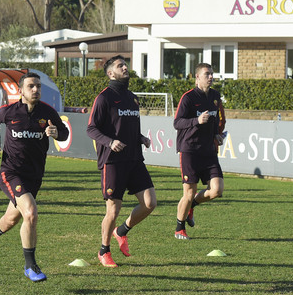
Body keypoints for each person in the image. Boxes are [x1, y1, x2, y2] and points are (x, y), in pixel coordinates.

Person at [0, 72, 69, 282]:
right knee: (30, 213)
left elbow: (65, 133)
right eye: (31, 86)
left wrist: (56, 133)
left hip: (34, 175)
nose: (36, 90)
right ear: (20, 91)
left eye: (38, 86)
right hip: (11, 172)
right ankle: (31, 266)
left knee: (12, 219)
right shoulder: (10, 111)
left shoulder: (47, 112)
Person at [87, 55, 157, 268]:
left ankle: (122, 231)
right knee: (113, 211)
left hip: (135, 159)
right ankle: (103, 251)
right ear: (110, 73)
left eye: (125, 65)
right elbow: (91, 128)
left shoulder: (132, 98)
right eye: (120, 66)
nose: (125, 67)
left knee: (149, 203)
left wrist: (141, 138)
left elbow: (129, 128)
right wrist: (109, 142)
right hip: (113, 161)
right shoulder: (104, 98)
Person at [173, 62, 225, 240]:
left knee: (217, 190)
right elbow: (177, 123)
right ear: (197, 77)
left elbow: (214, 121)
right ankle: (179, 228)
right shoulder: (188, 98)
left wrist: (216, 135)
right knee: (188, 192)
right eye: (207, 74)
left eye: (211, 74)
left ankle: (192, 205)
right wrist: (196, 121)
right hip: (190, 150)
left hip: (208, 151)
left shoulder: (216, 96)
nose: (211, 77)